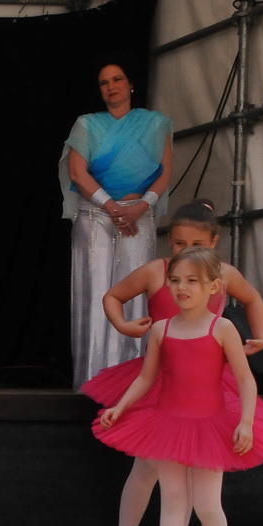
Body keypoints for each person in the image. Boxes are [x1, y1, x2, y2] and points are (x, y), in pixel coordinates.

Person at [91, 246, 263, 526]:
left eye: (192, 281)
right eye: (175, 281)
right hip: (168, 424)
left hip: (209, 426)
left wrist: (246, 422)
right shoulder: (161, 330)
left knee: (207, 504)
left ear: (214, 287)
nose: (181, 288)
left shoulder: (223, 328)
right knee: (172, 499)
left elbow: (245, 381)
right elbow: (146, 378)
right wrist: (120, 406)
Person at [59, 59, 172, 387]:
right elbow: (78, 173)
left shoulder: (156, 124)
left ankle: (132, 385)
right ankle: (93, 384)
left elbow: (164, 173)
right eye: (104, 82)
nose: (111, 86)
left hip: (139, 214)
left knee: (137, 296)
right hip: (96, 215)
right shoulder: (87, 124)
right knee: (97, 295)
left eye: (117, 79)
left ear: (130, 84)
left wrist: (140, 207)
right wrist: (112, 207)